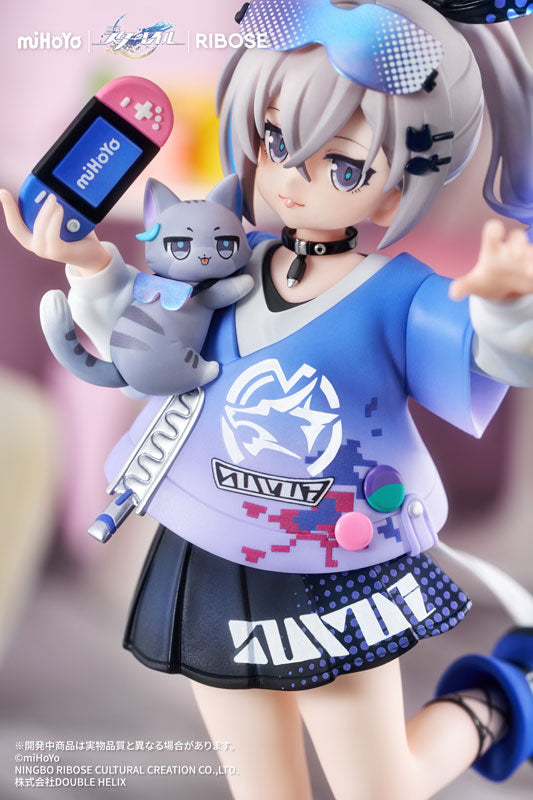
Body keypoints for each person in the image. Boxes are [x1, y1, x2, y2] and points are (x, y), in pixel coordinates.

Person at [1, 2, 533, 798]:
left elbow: (488, 356)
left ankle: (491, 706)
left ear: (395, 190)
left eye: (343, 167)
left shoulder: (399, 295)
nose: (293, 178)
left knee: (379, 787)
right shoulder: (221, 259)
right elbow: (143, 339)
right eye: (277, 142)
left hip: (335, 558)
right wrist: (88, 264)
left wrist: (504, 305)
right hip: (213, 548)